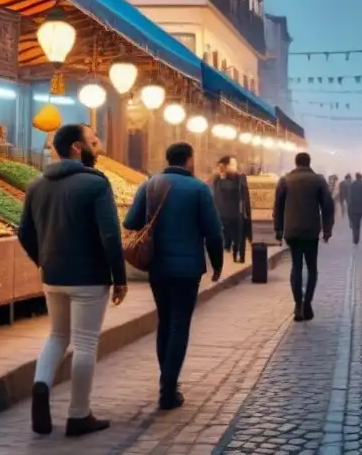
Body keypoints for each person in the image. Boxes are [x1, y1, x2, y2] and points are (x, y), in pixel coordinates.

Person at [18, 123, 126, 438]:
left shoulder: (36, 185)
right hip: (89, 278)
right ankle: (78, 414)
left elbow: (25, 232)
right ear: (77, 148)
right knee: (85, 343)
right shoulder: (95, 184)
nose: (99, 146)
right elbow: (110, 234)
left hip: (52, 276)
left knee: (57, 336)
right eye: (94, 141)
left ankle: (41, 385)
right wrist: (119, 277)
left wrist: (44, 260)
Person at [123, 142, 224, 410]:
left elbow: (130, 222)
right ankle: (168, 388)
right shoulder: (200, 189)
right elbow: (213, 232)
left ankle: (167, 382)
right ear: (189, 160)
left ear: (168, 159)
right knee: (180, 323)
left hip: (157, 267)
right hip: (188, 270)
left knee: (165, 321)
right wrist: (218, 264)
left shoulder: (150, 185)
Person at [274, 152, 335, 322]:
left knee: (296, 266)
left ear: (296, 163)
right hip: (310, 230)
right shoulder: (318, 180)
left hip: (292, 231)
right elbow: (328, 206)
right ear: (309, 163)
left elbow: (277, 206)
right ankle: (307, 303)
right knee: (312, 267)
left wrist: (278, 230)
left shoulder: (285, 180)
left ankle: (297, 304)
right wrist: (327, 229)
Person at [212, 156, 252, 264]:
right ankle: (232, 253)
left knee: (237, 238)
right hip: (224, 215)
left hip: (235, 215)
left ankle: (237, 256)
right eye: (233, 165)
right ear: (226, 166)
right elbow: (217, 195)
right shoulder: (218, 179)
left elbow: (245, 196)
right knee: (230, 238)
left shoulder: (239, 179)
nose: (236, 167)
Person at [347, 172, 362, 244]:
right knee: (358, 221)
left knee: (354, 222)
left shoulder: (352, 185)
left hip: (353, 206)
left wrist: (349, 204)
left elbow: (350, 196)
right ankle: (357, 236)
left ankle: (355, 238)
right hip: (361, 206)